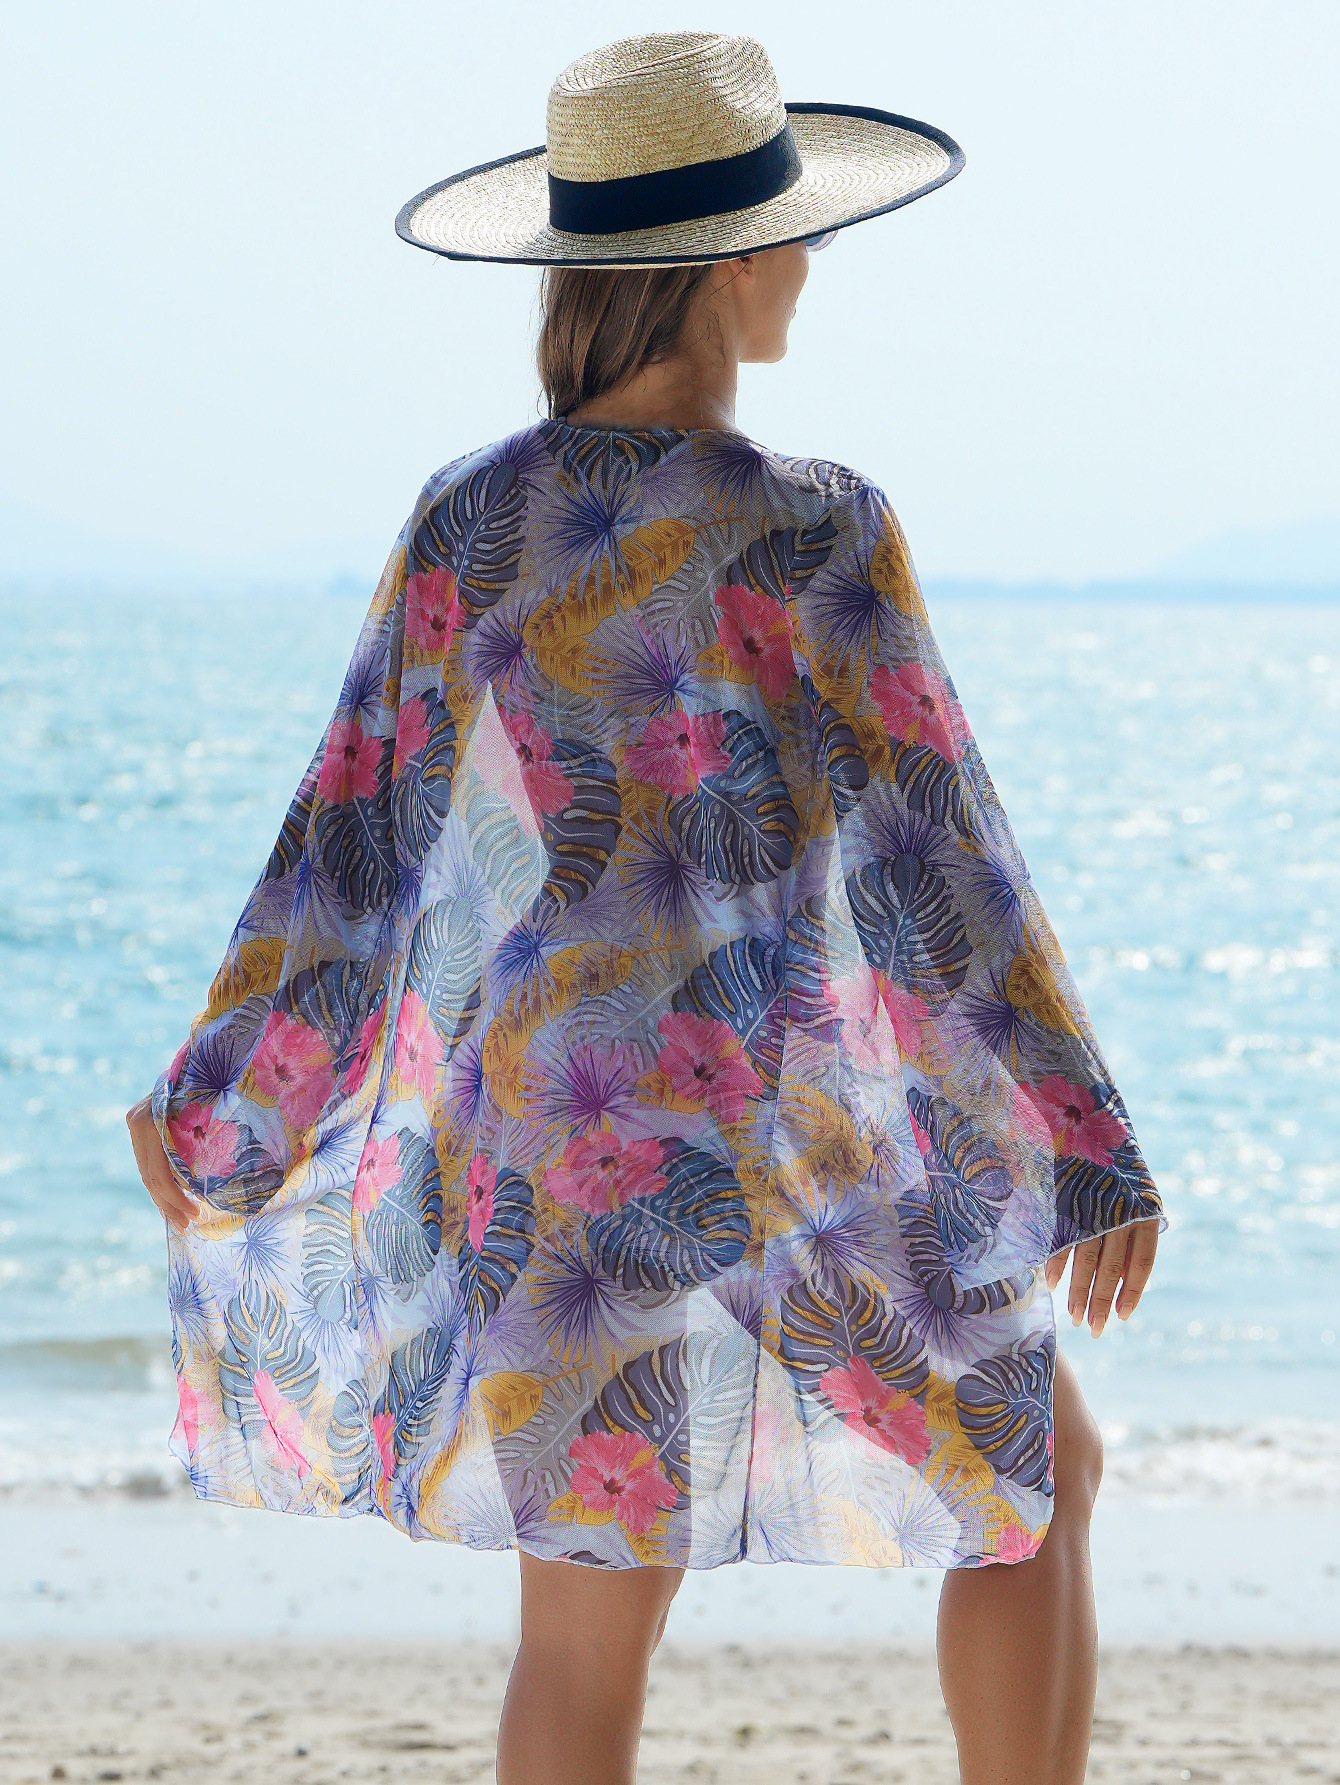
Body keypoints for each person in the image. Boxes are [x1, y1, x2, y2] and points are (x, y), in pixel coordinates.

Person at [126, 31, 1164, 1785]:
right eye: (796, 232)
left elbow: (354, 846)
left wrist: (230, 1093)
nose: (812, 264)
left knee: (585, 1633)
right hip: (782, 1124)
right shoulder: (818, 528)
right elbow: (942, 860)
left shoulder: (472, 520)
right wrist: (1075, 1134)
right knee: (1040, 1474)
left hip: (560, 1134)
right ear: (732, 262)